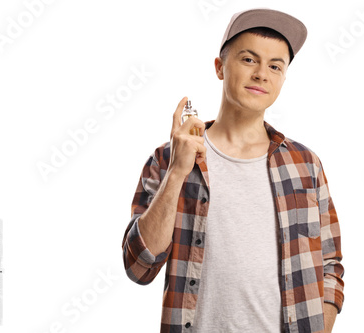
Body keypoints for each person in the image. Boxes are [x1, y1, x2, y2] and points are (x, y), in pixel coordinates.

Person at [121, 8, 345, 333]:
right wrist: (177, 173)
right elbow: (139, 267)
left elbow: (329, 265)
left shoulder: (305, 164)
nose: (261, 74)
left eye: (275, 66)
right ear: (220, 67)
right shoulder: (169, 158)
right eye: (249, 59)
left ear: (283, 77)